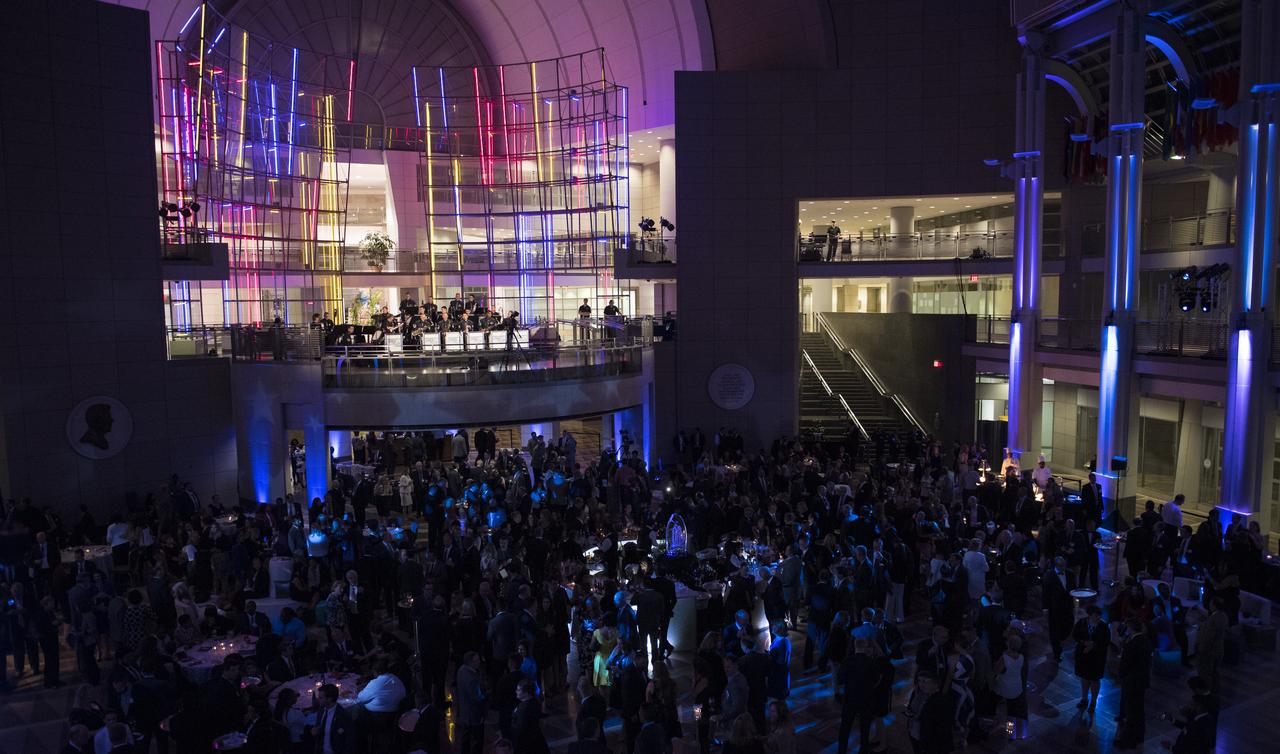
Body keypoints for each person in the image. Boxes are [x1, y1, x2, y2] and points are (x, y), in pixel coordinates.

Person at [1113, 618, 1151, 749]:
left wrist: (1120, 674)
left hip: (1132, 681)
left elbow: (1126, 663)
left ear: (1131, 628)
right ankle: (1139, 736)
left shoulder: (1133, 643)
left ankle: (1129, 740)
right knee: (1138, 710)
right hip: (1141, 680)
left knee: (1132, 711)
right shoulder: (1145, 640)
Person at [1071, 605, 1109, 712]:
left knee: (1095, 680)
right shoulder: (1082, 623)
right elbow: (1075, 635)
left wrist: (1094, 645)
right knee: (1084, 678)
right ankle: (1084, 699)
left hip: (1097, 658)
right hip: (1083, 656)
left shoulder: (1103, 626)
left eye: (1099, 615)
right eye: (1096, 615)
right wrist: (1084, 642)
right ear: (1090, 615)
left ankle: (1093, 702)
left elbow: (1106, 641)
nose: (1098, 618)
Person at [454, 652, 487, 754]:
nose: (479, 662)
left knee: (465, 740)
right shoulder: (472, 679)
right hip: (474, 715)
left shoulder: (461, 670)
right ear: (470, 662)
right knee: (477, 742)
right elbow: (477, 698)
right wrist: (486, 695)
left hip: (464, 712)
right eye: (476, 660)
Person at [312, 683, 357, 754]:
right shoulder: (321, 711)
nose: (318, 700)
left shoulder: (343, 715)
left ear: (329, 699)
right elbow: (318, 730)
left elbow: (349, 740)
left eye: (321, 698)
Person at [512, 678, 548, 754]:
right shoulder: (534, 703)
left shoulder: (524, 709)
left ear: (526, 693)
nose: (516, 691)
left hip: (526, 744)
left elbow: (520, 729)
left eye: (518, 690)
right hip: (536, 739)